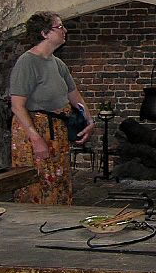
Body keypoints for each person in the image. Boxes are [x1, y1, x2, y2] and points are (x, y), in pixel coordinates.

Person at [9, 12, 94, 204]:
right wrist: (36, 138)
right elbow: (17, 105)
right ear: (44, 33)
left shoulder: (57, 63)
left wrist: (88, 120)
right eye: (59, 27)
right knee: (38, 182)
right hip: (35, 130)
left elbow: (74, 95)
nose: (65, 30)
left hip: (56, 129)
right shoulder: (27, 62)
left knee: (59, 181)